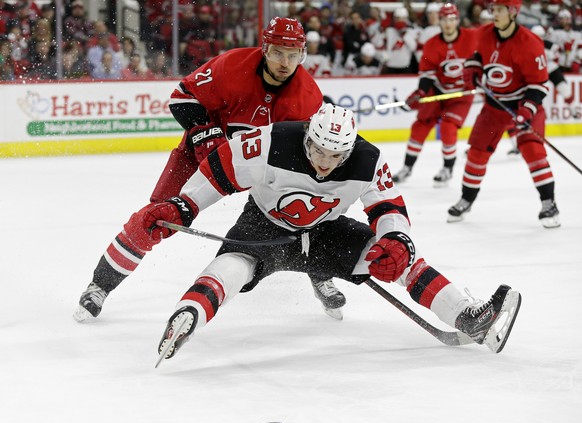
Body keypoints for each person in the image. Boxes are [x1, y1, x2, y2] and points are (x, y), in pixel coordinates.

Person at [126, 103, 522, 362]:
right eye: (318, 150)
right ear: (308, 136)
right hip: (264, 225)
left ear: (349, 149)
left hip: (326, 233)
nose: (324, 162)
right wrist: (184, 205)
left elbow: (388, 207)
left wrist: (396, 238)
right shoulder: (271, 142)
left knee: (399, 262)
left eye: (335, 156)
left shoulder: (368, 159)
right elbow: (219, 169)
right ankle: (189, 313)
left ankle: (470, 318)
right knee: (234, 264)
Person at [73, 18, 351, 323]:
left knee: (305, 212)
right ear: (264, 48)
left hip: (263, 167)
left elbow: (307, 155)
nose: (285, 62)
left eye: (292, 54)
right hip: (201, 159)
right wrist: (205, 134)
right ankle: (99, 286)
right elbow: (182, 97)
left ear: (303, 55)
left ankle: (319, 274)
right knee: (156, 218)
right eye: (277, 53)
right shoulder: (232, 66)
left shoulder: (307, 98)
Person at [448, 0, 560, 229]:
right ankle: (466, 199)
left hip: (524, 104)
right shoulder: (486, 33)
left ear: (512, 12)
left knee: (532, 150)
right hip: (495, 107)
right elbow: (479, 55)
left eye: (499, 10)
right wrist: (473, 68)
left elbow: (539, 85)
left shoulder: (530, 43)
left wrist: (526, 111)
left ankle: (549, 203)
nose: (494, 13)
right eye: (493, 9)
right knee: (477, 153)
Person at [392, 4, 477, 187]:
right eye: (445, 19)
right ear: (440, 21)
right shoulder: (432, 45)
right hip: (438, 91)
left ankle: (447, 168)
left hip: (462, 94)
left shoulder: (472, 37)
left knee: (448, 127)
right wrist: (421, 93)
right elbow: (427, 75)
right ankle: (407, 167)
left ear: (458, 20)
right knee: (420, 126)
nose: (448, 23)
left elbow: (486, 54)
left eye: (452, 19)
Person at [507, 24, 574, 155]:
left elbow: (558, 60)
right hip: (533, 75)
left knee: (565, 90)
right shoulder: (524, 46)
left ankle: (573, 111)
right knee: (521, 106)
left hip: (548, 70)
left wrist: (565, 52)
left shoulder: (550, 46)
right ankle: (516, 142)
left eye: (541, 36)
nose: (539, 39)